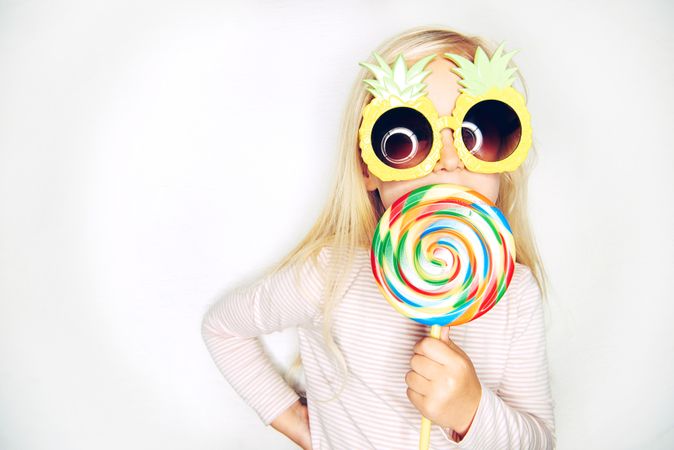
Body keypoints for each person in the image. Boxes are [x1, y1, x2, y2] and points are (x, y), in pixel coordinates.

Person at [201, 25, 556, 449]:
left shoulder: (514, 295)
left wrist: (471, 411)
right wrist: (299, 426)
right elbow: (224, 328)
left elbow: (540, 443)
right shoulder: (330, 275)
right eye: (407, 137)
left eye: (479, 131)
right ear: (368, 168)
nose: (447, 160)